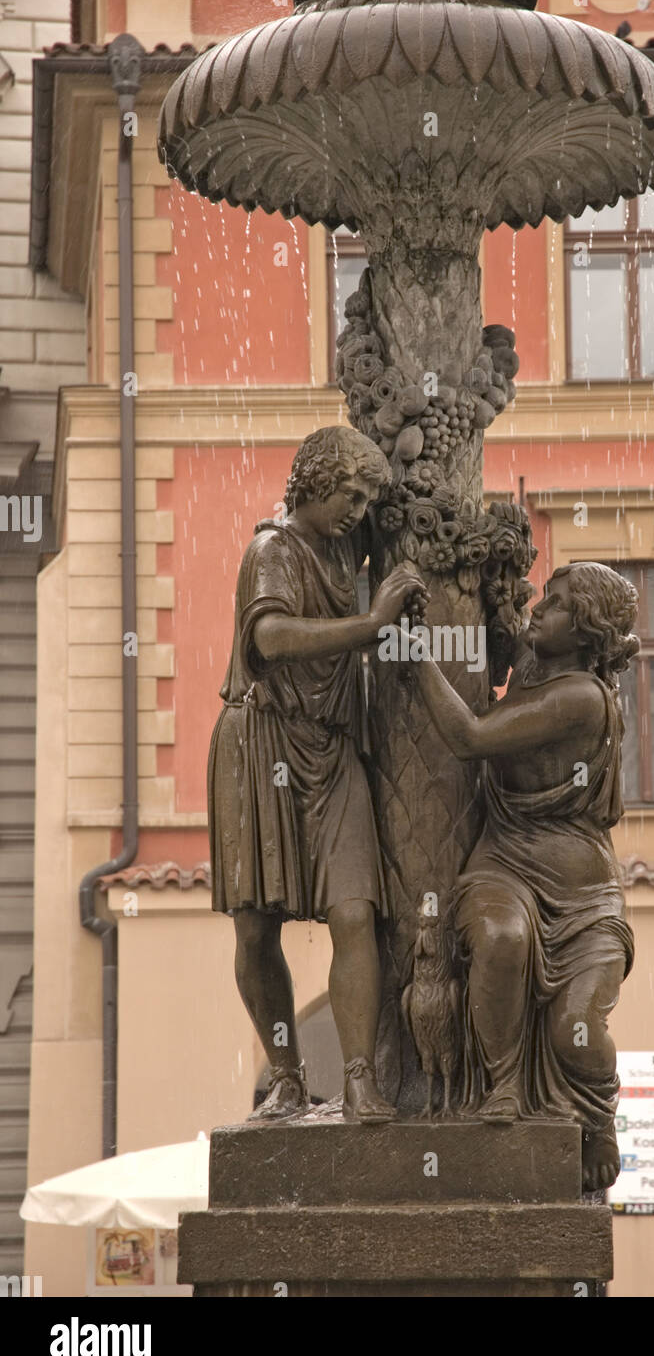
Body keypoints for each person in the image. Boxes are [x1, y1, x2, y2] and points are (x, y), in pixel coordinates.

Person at [208, 426, 427, 1123]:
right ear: (314, 481)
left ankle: (360, 1078)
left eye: (367, 497)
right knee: (254, 926)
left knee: (355, 910)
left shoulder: (344, 546)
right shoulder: (271, 549)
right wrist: (371, 624)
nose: (358, 508)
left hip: (333, 749)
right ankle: (285, 1076)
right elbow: (270, 638)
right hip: (261, 738)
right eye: (350, 493)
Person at [410, 561, 639, 1191]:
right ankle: (504, 1082)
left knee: (577, 1033)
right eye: (544, 597)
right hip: (505, 863)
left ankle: (599, 1117)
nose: (540, 609)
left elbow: (470, 734)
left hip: (585, 897)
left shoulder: (580, 697)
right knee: (501, 939)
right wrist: (491, 591)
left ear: (587, 631)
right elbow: (506, 636)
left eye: (558, 605)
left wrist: (415, 652)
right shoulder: (540, 665)